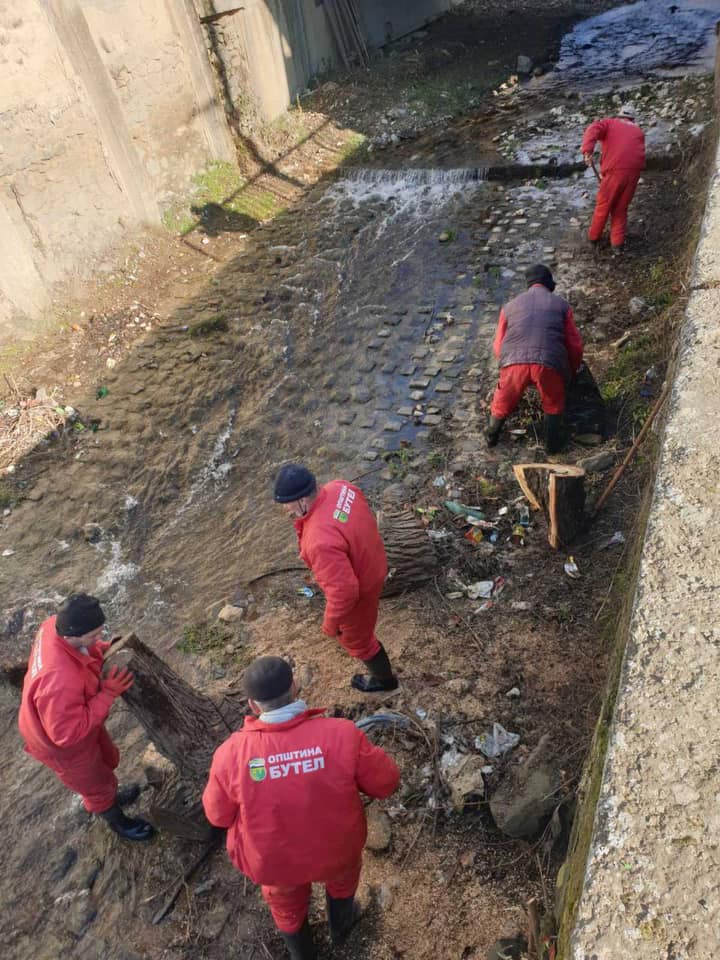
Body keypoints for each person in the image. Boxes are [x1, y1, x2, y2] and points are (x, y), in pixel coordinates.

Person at [202, 656, 400, 960]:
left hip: (274, 863)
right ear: (294, 687)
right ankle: (341, 928)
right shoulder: (342, 733)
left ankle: (303, 955)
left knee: (285, 905)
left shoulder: (230, 754)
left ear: (253, 705)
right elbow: (386, 782)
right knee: (343, 882)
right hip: (338, 850)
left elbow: (217, 815)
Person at [18, 593, 154, 842]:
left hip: (66, 715)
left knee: (107, 758)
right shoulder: (58, 681)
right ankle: (118, 823)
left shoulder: (54, 625)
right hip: (60, 743)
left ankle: (110, 795)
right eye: (94, 636)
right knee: (94, 784)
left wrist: (104, 648)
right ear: (71, 635)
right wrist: (108, 693)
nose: (98, 639)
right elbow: (66, 735)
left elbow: (83, 650)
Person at [273, 463, 398, 694]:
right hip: (374, 561)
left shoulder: (318, 540)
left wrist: (330, 625)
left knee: (359, 641)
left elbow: (345, 592)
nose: (285, 509)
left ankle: (385, 682)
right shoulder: (340, 487)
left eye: (287, 504)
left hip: (362, 586)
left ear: (302, 500)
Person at [487, 264, 583, 453]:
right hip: (549, 363)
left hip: (513, 363)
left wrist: (507, 366)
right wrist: (570, 371)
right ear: (549, 284)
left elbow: (498, 346)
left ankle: (491, 436)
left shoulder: (509, 307)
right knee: (553, 402)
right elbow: (575, 346)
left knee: (503, 400)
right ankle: (552, 447)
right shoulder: (562, 306)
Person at [581, 103, 646, 254]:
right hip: (634, 173)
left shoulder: (610, 123)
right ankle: (617, 245)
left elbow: (592, 129)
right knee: (620, 208)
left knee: (603, 205)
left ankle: (593, 238)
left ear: (620, 115)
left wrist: (587, 151)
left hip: (615, 172)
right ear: (632, 119)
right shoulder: (638, 131)